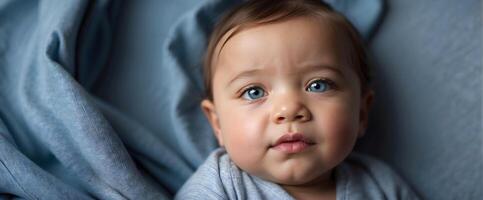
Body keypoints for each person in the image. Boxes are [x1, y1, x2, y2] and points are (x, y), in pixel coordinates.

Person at [176, 0, 419, 199]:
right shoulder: (220, 186)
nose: (289, 109)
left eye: (318, 85)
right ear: (217, 123)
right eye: (254, 92)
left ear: (361, 113)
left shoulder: (380, 185)